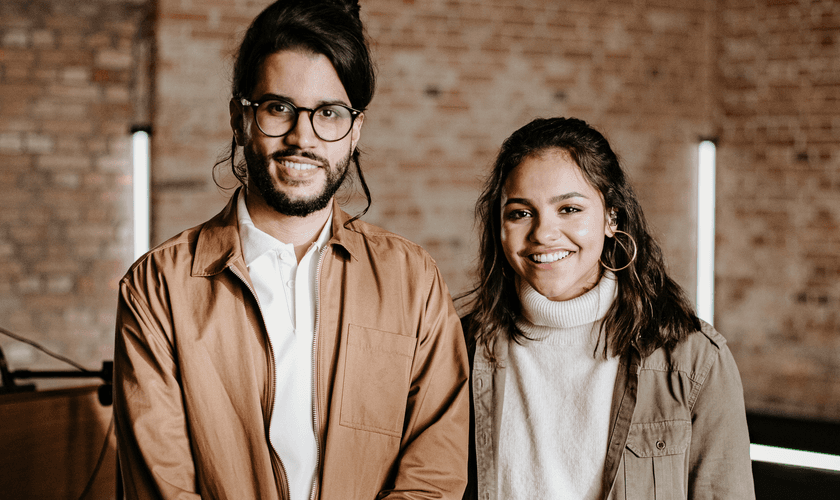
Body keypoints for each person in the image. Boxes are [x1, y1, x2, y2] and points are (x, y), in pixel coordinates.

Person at [113, 1, 469, 498]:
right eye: (278, 108)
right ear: (241, 119)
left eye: (329, 113)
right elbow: (162, 487)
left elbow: (436, 475)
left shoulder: (414, 281)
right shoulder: (157, 289)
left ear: (354, 131)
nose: (303, 137)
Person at [461, 117, 755, 499]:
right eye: (520, 212)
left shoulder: (694, 361)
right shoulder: (461, 349)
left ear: (611, 218)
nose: (543, 233)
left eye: (568, 209)